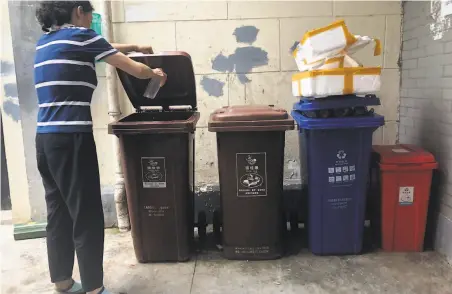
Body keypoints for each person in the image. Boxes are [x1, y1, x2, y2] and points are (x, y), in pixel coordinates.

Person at [34, 2, 166, 294]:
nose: (92, 21)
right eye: (91, 16)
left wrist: (136, 44)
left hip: (44, 140)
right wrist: (154, 74)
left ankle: (63, 282)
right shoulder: (83, 38)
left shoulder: (47, 41)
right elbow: (132, 68)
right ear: (79, 11)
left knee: (58, 211)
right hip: (71, 139)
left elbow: (106, 46)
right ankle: (94, 288)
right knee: (87, 213)